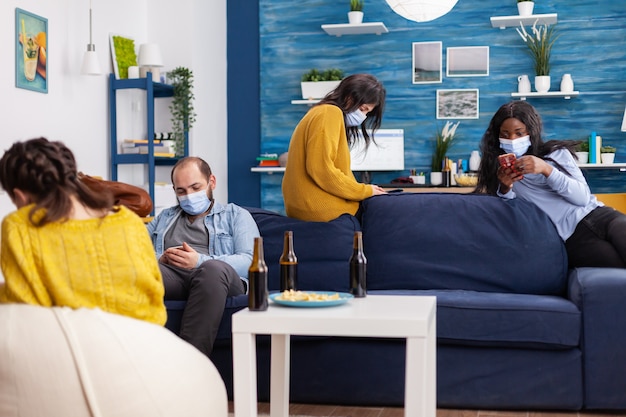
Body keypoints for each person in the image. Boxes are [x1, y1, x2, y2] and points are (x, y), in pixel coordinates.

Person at [0, 137, 166, 325]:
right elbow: (155, 298)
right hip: (146, 340)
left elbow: (29, 309)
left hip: (72, 346)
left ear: (19, 196)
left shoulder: (20, 226)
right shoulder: (129, 221)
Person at [476, 101, 626, 268]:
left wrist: (547, 170)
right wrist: (505, 189)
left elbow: (582, 198)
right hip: (571, 237)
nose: (512, 140)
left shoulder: (555, 154)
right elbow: (511, 220)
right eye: (505, 134)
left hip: (599, 215)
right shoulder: (500, 173)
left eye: (519, 133)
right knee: (617, 266)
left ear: (531, 133)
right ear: (497, 137)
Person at [147, 156, 260, 357]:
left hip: (219, 279)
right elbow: (135, 250)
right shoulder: (164, 217)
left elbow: (251, 261)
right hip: (175, 277)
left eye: (195, 187)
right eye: (181, 191)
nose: (188, 196)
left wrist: (199, 261)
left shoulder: (235, 215)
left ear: (212, 182)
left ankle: (191, 364)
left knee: (212, 269)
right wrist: (159, 259)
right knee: (140, 270)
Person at [282, 73, 388, 222]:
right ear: (350, 97)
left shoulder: (319, 112)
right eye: (363, 109)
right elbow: (321, 169)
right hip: (319, 207)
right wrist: (365, 190)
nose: (363, 116)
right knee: (389, 211)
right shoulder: (330, 113)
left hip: (307, 205)